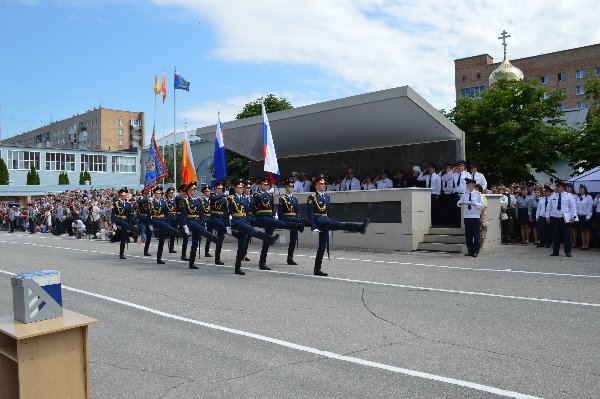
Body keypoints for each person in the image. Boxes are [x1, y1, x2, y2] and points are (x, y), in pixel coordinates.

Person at [307, 175, 370, 276]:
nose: (324, 185)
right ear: (316, 185)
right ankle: (359, 228)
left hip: (326, 221)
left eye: (324, 184)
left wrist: (330, 225)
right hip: (319, 220)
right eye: (322, 184)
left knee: (322, 247)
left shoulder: (326, 197)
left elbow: (328, 212)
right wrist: (313, 227)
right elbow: (310, 213)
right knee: (340, 225)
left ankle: (317, 269)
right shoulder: (312, 197)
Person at [228, 179, 280, 275]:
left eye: (242, 187)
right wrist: (228, 225)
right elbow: (227, 212)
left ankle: (237, 267)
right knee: (252, 230)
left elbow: (248, 212)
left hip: (244, 221)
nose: (241, 189)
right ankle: (269, 239)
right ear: (235, 188)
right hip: (236, 222)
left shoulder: (244, 199)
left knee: (241, 246)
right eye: (239, 187)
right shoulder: (231, 199)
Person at [252, 177, 304, 270]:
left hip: (270, 217)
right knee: (279, 224)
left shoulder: (269, 195)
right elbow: (258, 199)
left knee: (267, 241)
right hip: (262, 217)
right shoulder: (257, 194)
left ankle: (262, 262)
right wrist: (268, 192)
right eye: (264, 184)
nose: (266, 186)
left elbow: (271, 207)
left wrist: (273, 214)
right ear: (260, 185)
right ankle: (296, 226)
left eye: (267, 184)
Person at [181, 181, 225, 269]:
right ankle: (216, 239)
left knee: (195, 243)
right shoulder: (185, 200)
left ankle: (191, 263)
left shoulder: (198, 200)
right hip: (190, 220)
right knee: (201, 230)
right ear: (188, 190)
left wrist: (204, 222)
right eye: (192, 189)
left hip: (197, 221)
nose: (194, 191)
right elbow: (183, 214)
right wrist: (185, 226)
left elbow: (201, 212)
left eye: (195, 189)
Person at [278, 178, 307, 265]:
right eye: (289, 186)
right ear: (286, 188)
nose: (291, 188)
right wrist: (281, 222)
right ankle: (303, 223)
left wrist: (298, 219)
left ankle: (290, 258)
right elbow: (281, 211)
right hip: (287, 218)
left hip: (295, 219)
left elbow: (297, 210)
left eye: (292, 186)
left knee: (293, 239)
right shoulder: (283, 198)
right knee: (301, 222)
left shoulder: (295, 198)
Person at [546, 181, 577, 257]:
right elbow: (549, 207)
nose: (557, 188)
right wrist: (547, 216)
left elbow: (573, 207)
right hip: (555, 217)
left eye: (558, 187)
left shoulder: (569, 196)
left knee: (566, 235)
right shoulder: (552, 196)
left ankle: (567, 251)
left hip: (565, 218)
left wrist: (574, 216)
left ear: (563, 187)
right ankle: (555, 251)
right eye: (556, 186)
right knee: (555, 235)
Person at [456, 178, 486, 258]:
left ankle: (476, 251)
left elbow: (483, 205)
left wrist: (476, 204)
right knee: (468, 235)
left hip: (475, 216)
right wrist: (460, 204)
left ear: (473, 185)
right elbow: (458, 203)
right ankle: (470, 251)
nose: (469, 186)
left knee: (475, 235)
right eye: (468, 185)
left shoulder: (478, 194)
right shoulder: (464, 194)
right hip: (467, 217)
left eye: (470, 185)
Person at [150, 186, 176, 264]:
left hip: (163, 222)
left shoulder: (163, 202)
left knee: (162, 241)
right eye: (158, 193)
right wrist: (150, 224)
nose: (159, 195)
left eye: (160, 193)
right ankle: (171, 229)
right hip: (155, 220)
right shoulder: (151, 202)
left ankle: (159, 258)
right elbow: (149, 214)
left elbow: (166, 214)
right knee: (162, 225)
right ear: (154, 194)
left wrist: (167, 222)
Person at [206, 182, 229, 265]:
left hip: (221, 218)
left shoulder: (223, 199)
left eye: (221, 188)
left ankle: (217, 258)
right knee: (212, 234)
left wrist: (227, 224)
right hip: (214, 218)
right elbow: (212, 200)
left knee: (221, 238)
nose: (220, 190)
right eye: (219, 188)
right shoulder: (213, 196)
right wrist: (222, 195)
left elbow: (225, 212)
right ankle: (208, 250)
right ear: (215, 189)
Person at [111, 187, 133, 259]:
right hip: (118, 219)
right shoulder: (116, 203)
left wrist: (130, 223)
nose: (124, 196)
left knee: (123, 239)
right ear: (120, 195)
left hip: (125, 221)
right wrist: (113, 223)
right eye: (122, 195)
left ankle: (121, 253)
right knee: (125, 226)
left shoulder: (128, 204)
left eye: (125, 195)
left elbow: (129, 215)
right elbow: (113, 214)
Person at [175, 184, 190, 261]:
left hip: (187, 219)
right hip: (180, 219)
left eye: (185, 191)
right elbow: (178, 197)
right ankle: (183, 255)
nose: (184, 193)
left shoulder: (187, 199)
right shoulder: (178, 198)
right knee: (185, 238)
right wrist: (182, 197)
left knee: (187, 238)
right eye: (182, 192)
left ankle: (185, 254)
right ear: (180, 192)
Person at [576, 185, 593, 250]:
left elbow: (589, 208)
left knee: (587, 231)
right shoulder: (578, 198)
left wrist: (588, 217)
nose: (580, 190)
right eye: (580, 189)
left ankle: (587, 245)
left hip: (586, 216)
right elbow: (577, 208)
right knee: (582, 231)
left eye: (582, 189)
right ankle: (583, 244)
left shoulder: (589, 197)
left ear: (585, 190)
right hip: (580, 216)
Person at [138, 189, 153, 256]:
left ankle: (146, 250)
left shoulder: (150, 201)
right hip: (143, 218)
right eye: (145, 194)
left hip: (149, 218)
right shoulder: (141, 200)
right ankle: (143, 240)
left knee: (149, 234)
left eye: (147, 194)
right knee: (143, 230)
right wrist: (146, 199)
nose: (147, 195)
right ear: (143, 194)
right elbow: (140, 203)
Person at [165, 187, 179, 254]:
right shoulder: (165, 201)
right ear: (167, 194)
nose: (172, 194)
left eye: (172, 193)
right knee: (170, 233)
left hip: (175, 218)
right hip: (169, 218)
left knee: (174, 233)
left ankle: (172, 247)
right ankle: (170, 246)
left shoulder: (175, 201)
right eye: (170, 193)